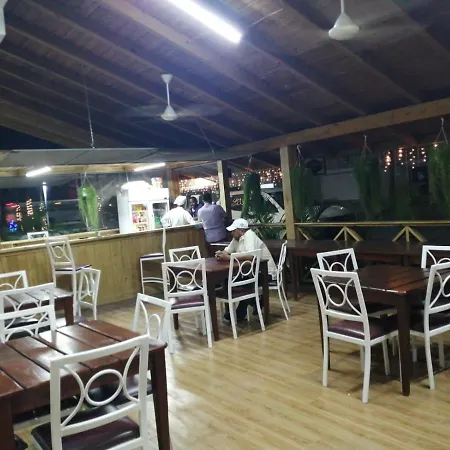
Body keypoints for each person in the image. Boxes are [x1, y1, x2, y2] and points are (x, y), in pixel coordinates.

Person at [215, 218, 277, 321]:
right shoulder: (237, 239)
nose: (231, 233)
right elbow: (227, 251)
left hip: (266, 272)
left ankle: (241, 312)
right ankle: (254, 302)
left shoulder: (249, 236)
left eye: (233, 231)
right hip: (251, 272)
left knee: (244, 284)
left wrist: (229, 257)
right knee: (228, 281)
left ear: (241, 230)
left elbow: (251, 256)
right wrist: (220, 254)